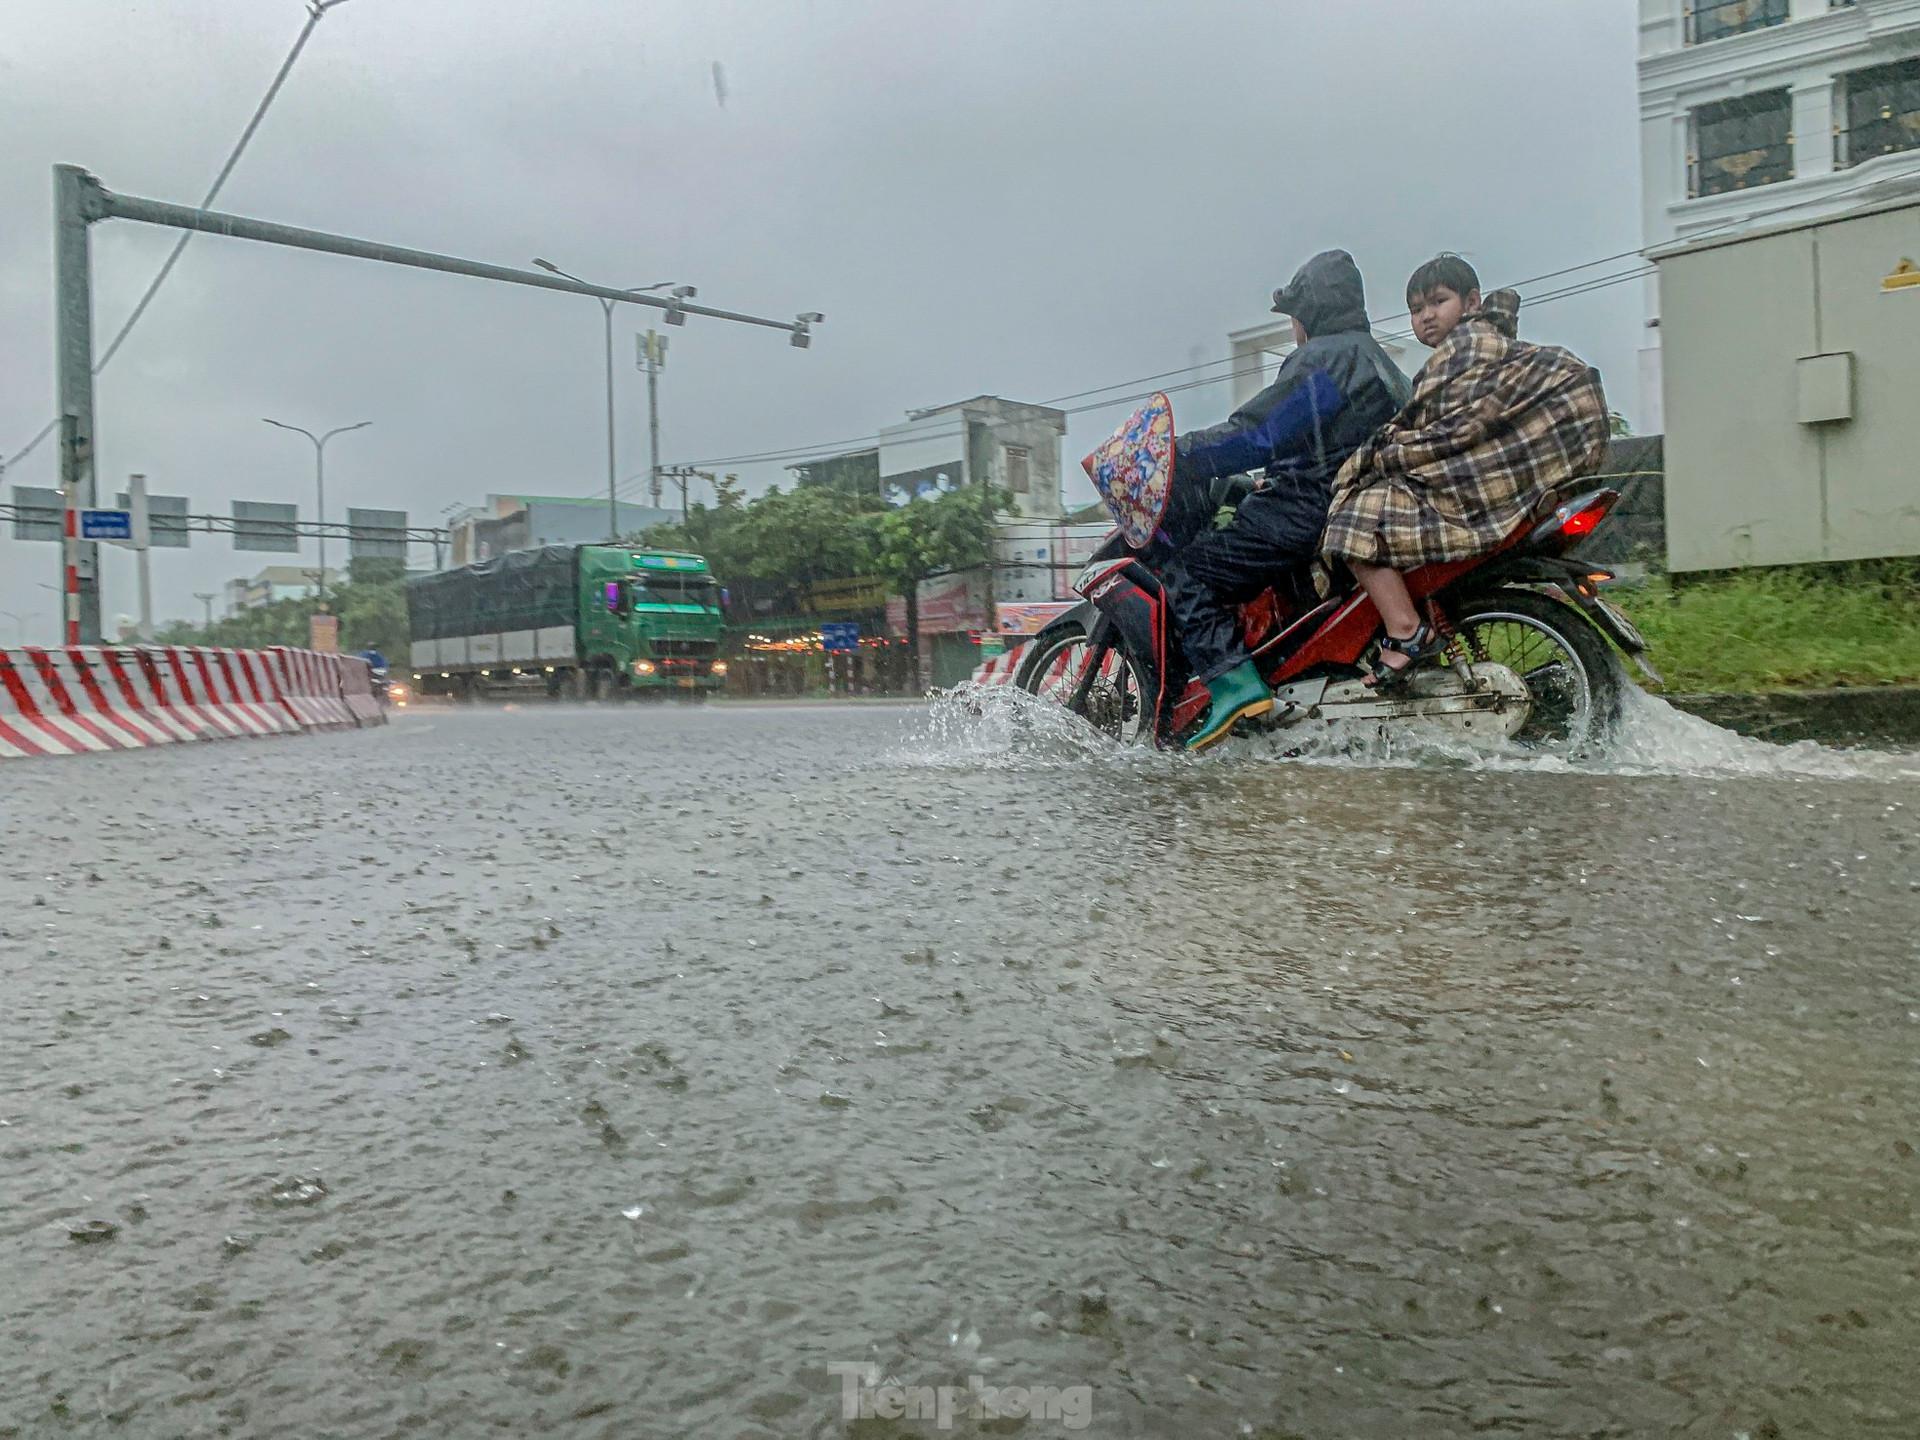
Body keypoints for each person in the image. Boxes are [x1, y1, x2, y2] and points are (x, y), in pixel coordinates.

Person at [1320, 256, 1611, 688]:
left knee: (1352, 521)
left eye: (1438, 301)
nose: (1426, 317)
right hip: (1505, 483)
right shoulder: (1483, 350)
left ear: (1472, 301)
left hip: (1474, 485)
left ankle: (1405, 630)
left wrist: (1380, 455)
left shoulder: (1467, 350)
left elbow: (1451, 432)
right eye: (1416, 310)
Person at [1164, 249, 1412, 751]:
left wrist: (1179, 455)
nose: (1294, 327)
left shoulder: (1325, 357)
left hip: (1310, 509)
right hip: (1350, 503)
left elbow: (1260, 433)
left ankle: (1234, 688)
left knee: (1189, 570)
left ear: (1311, 311)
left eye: (1295, 315)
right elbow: (1320, 442)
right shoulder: (1378, 360)